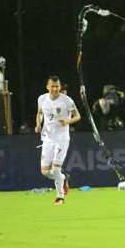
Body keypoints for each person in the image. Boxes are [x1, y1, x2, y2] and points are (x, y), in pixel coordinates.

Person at [35, 76, 81, 205]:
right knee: (44, 171)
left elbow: (77, 116)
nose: (55, 89)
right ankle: (64, 178)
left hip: (62, 138)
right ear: (47, 87)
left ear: (60, 87)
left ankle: (60, 197)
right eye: (52, 86)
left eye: (57, 86)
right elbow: (39, 113)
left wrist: (67, 121)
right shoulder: (42, 99)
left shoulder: (66, 100)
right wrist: (38, 124)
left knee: (55, 169)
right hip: (48, 138)